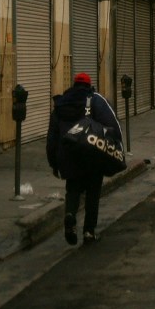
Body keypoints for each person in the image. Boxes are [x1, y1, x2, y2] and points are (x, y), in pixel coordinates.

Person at [46, 72, 123, 246]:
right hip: (91, 155)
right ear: (89, 85)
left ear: (74, 85)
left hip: (68, 155)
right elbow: (112, 125)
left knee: (72, 189)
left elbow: (52, 138)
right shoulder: (95, 100)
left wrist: (54, 163)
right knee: (93, 193)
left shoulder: (60, 104)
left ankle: (70, 216)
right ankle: (89, 231)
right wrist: (116, 147)